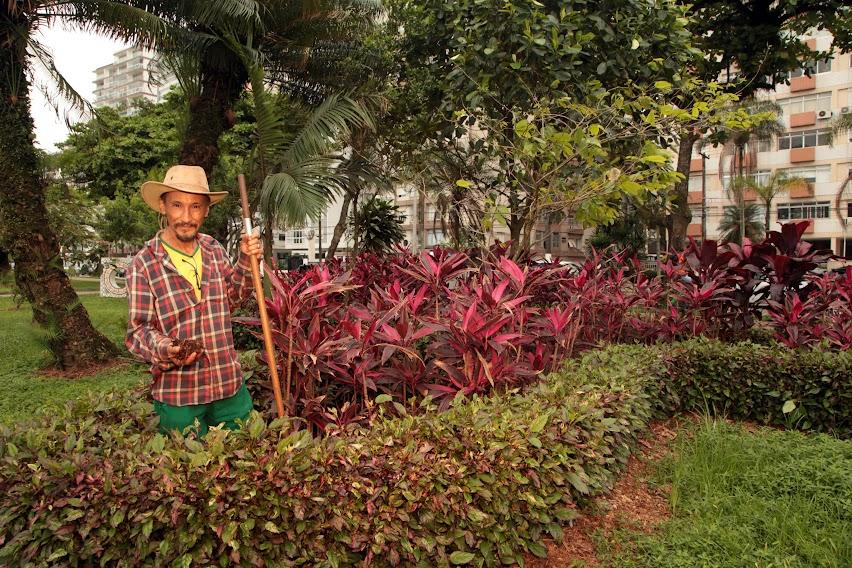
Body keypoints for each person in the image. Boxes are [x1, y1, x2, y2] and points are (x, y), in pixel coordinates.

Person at [126, 165, 262, 437]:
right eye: (177, 205)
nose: (186, 217)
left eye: (195, 207)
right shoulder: (145, 263)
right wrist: (168, 348)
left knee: (248, 458)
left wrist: (247, 259)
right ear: (163, 206)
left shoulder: (213, 249)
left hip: (228, 386)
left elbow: (231, 299)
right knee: (187, 473)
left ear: (206, 210)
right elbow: (138, 332)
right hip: (180, 396)